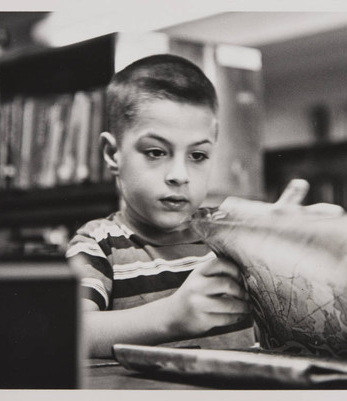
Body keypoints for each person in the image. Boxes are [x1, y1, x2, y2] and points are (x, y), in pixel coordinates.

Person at [66, 54, 255, 358]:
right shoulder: (98, 246)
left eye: (197, 156)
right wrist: (172, 315)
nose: (179, 176)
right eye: (156, 152)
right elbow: (70, 332)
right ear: (113, 154)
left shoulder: (230, 235)